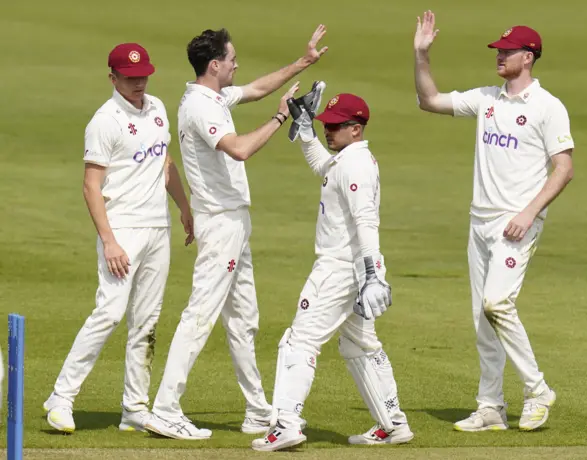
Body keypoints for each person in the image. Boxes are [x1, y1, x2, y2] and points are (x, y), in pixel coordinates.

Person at [144, 26, 328, 440]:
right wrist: (283, 116)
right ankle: (166, 408)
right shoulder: (201, 108)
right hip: (221, 222)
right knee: (200, 315)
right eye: (231, 59)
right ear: (214, 65)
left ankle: (257, 410)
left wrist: (303, 62)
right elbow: (240, 149)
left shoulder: (212, 95)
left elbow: (256, 89)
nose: (236, 64)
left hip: (234, 221)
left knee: (244, 320)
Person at [414, 11, 575, 431]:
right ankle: (491, 407)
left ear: (529, 56)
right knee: (481, 317)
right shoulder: (488, 98)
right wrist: (421, 56)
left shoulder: (548, 107)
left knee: (496, 303)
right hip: (479, 221)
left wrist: (529, 212)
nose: (500, 56)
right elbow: (429, 101)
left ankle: (537, 390)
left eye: (507, 52)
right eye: (498, 51)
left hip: (517, 223)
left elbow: (564, 168)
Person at [252, 87, 414, 452]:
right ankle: (393, 423)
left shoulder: (355, 165)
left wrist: (373, 275)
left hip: (340, 268)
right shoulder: (347, 160)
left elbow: (365, 221)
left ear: (356, 129)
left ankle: (286, 425)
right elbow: (322, 167)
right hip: (350, 268)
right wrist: (306, 131)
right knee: (359, 344)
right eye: (327, 124)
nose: (330, 130)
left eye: (336, 126)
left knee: (299, 341)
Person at [43, 43, 194, 433]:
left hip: (157, 227)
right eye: (130, 77)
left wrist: (184, 207)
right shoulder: (104, 121)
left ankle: (135, 408)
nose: (139, 82)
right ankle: (60, 398)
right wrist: (109, 240)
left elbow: (166, 163)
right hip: (123, 229)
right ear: (113, 78)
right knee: (109, 313)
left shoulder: (158, 108)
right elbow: (91, 187)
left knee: (146, 320)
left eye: (143, 74)